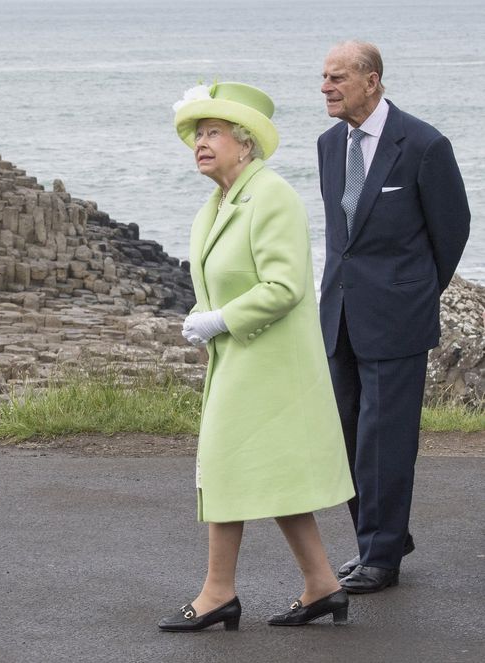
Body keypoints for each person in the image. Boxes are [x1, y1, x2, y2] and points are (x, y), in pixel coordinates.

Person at [158, 82, 355, 632]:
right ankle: (323, 585)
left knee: (224, 468)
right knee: (275, 474)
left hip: (271, 364)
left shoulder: (271, 195)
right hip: (241, 362)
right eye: (197, 134)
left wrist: (219, 320)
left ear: (245, 145)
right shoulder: (218, 202)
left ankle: (217, 593)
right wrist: (207, 321)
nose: (200, 142)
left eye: (213, 132)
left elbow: (285, 284)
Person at [318, 41, 470, 593]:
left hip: (398, 315)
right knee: (345, 433)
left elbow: (452, 229)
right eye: (324, 78)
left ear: (371, 80)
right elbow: (343, 237)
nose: (326, 88)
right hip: (339, 314)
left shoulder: (424, 144)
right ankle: (384, 534)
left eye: (336, 78)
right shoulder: (329, 144)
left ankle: (380, 555)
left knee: (385, 437)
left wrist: (413, 289)